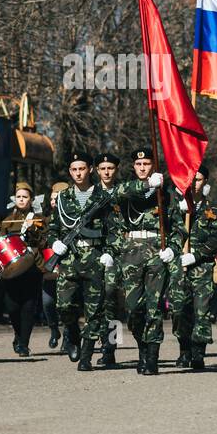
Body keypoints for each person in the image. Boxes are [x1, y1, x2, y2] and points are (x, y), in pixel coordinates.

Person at [44, 152, 114, 372]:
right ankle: (72, 333)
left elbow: (113, 228)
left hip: (94, 258)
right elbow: (54, 227)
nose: (78, 173)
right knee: (64, 305)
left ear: (90, 169)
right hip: (70, 259)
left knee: (95, 310)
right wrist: (55, 242)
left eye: (82, 169)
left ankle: (86, 356)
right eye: (74, 170)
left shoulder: (103, 195)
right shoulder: (63, 197)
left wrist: (109, 252)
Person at [110, 147, 178, 373]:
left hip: (156, 251)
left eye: (147, 164)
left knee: (155, 307)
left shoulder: (166, 193)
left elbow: (179, 227)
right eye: (138, 165)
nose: (142, 168)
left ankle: (152, 356)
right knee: (133, 308)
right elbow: (117, 193)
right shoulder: (125, 188)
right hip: (131, 253)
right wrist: (148, 185)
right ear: (133, 167)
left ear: (153, 166)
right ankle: (142, 345)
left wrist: (173, 248)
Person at [169, 166, 217, 371]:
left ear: (205, 182)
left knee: (202, 311)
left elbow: (215, 239)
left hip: (201, 267)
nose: (194, 183)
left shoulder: (213, 211)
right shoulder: (175, 209)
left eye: (198, 179)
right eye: (190, 179)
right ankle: (184, 348)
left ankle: (198, 352)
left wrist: (196, 255)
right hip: (178, 267)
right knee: (179, 309)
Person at [0, 182, 46, 357]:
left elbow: (43, 241)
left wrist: (33, 229)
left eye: (25, 197)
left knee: (29, 306)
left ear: (31, 200)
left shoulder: (39, 219)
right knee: (12, 306)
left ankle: (24, 343)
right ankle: (18, 334)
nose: (21, 200)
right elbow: (1, 242)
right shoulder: (8, 220)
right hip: (12, 267)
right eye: (19, 197)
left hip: (32, 266)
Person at [94, 152, 125, 367]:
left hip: (118, 254)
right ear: (96, 170)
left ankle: (110, 348)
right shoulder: (90, 192)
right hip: (93, 252)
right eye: (103, 168)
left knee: (111, 300)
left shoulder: (123, 192)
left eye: (110, 168)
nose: (107, 172)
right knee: (93, 302)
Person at [40, 182, 67, 350]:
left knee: (67, 305)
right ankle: (54, 329)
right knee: (48, 302)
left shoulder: (70, 217)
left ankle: (69, 338)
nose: (53, 202)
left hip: (67, 267)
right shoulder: (42, 219)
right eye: (52, 198)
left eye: (56, 198)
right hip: (49, 268)